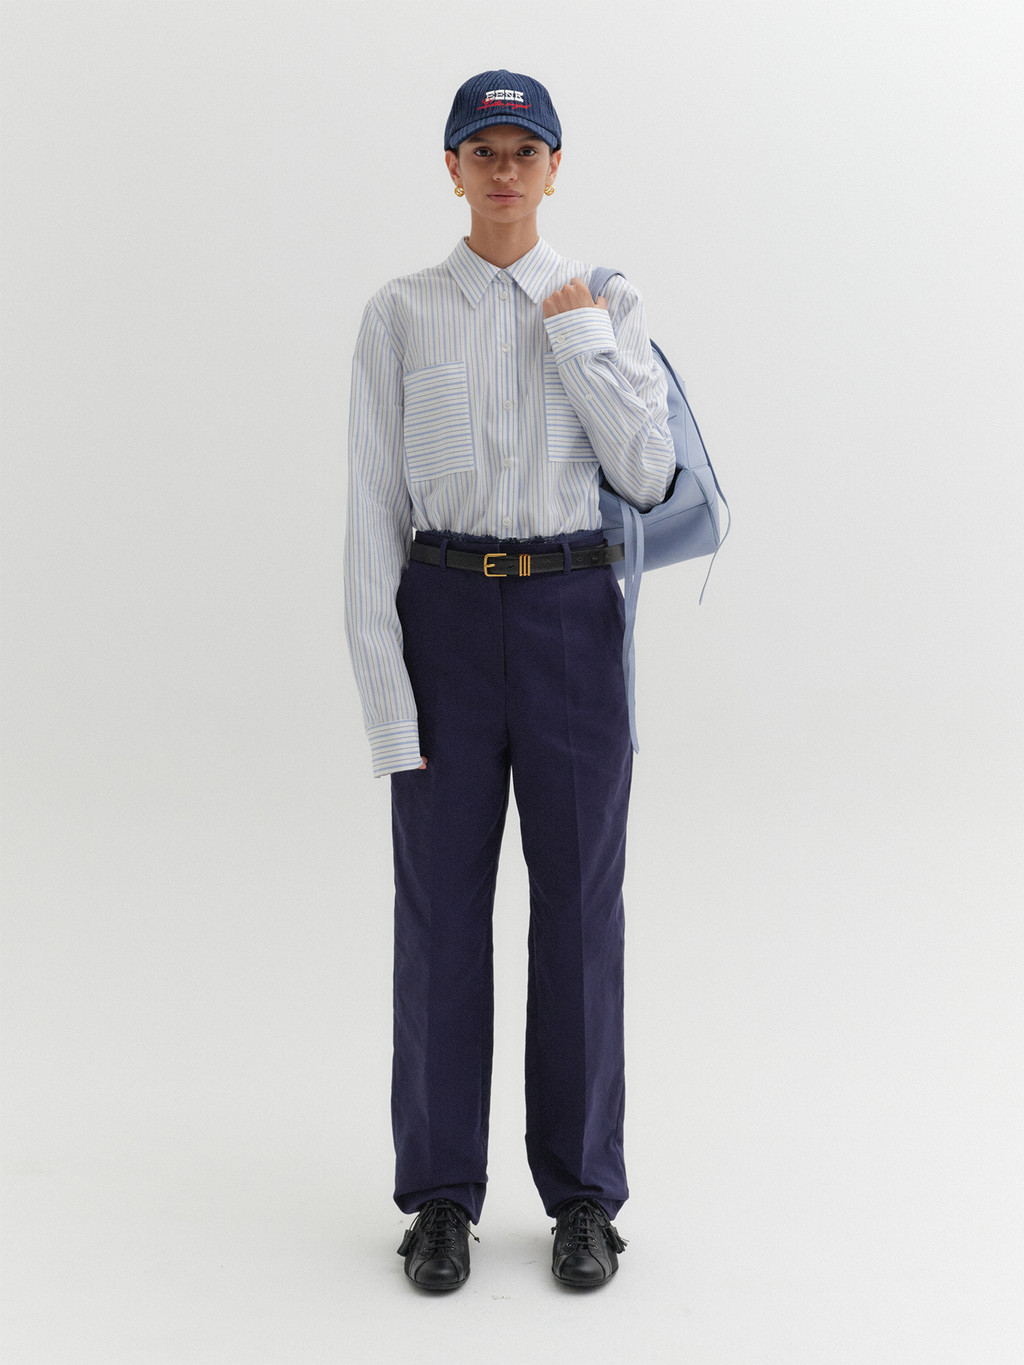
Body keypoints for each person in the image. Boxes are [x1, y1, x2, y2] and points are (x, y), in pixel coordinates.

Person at [344, 69, 674, 1291]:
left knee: (580, 913)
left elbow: (645, 473)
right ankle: (439, 1197)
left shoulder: (604, 300)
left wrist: (577, 334)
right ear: (450, 168)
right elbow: (369, 518)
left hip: (570, 620)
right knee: (439, 915)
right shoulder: (402, 312)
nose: (502, 170)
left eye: (523, 150)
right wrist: (389, 705)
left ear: (553, 168)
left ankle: (583, 1196)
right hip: (441, 616)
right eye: (480, 150)